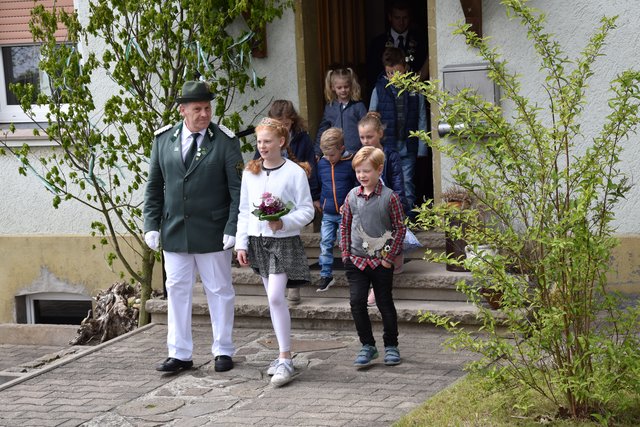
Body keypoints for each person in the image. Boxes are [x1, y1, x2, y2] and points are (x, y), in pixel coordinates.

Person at [144, 80, 243, 373]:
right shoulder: (164, 139)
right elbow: (154, 186)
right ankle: (179, 353)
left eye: (207, 108)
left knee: (219, 290)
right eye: (197, 109)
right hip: (175, 229)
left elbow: (238, 190)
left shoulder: (224, 141)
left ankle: (223, 349)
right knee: (176, 290)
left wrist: (233, 227)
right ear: (182, 110)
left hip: (213, 231)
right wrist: (151, 224)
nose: (204, 114)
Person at [235, 117, 315, 387]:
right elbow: (244, 210)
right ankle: (283, 354)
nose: (262, 146)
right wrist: (241, 243)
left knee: (275, 297)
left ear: (281, 141)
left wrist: (284, 222)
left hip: (283, 241)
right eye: (259, 141)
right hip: (258, 241)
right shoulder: (250, 172)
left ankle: (285, 358)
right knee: (273, 301)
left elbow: (307, 210)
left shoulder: (294, 172)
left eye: (267, 141)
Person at [340, 146, 406, 368]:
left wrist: (389, 257)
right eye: (358, 171)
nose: (362, 175)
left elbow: (400, 228)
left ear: (379, 170)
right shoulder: (352, 196)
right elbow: (345, 225)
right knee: (357, 302)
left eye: (366, 171)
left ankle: (391, 345)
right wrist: (345, 253)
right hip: (356, 260)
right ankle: (367, 345)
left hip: (381, 261)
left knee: (385, 303)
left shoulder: (390, 197)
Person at [252, 100, 320, 306]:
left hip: (294, 194)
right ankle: (281, 281)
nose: (283, 127)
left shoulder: (301, 138)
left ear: (293, 122)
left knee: (290, 241)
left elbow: (311, 166)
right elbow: (256, 164)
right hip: (270, 197)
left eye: (287, 124)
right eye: (278, 123)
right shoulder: (265, 140)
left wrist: (315, 195)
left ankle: (293, 283)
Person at [369, 46, 428, 220]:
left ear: (405, 68)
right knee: (387, 182)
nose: (394, 77)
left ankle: (406, 220)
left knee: (407, 183)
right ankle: (390, 220)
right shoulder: (379, 89)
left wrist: (422, 147)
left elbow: (422, 118)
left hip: (408, 146)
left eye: (398, 73)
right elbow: (372, 117)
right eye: (390, 73)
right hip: (386, 147)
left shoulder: (415, 89)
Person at [358, 113, 407, 311]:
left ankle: (377, 288)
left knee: (383, 245)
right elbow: (356, 182)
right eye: (362, 137)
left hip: (388, 206)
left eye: (369, 137)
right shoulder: (360, 156)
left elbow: (398, 183)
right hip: (368, 207)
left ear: (380, 133)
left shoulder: (390, 156)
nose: (365, 141)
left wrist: (397, 206)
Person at [314, 128, 357, 292]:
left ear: (341, 148)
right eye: (325, 154)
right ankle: (326, 275)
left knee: (345, 243)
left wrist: (351, 203)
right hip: (328, 212)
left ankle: (352, 273)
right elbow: (318, 182)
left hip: (345, 214)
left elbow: (356, 185)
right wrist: (318, 199)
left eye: (332, 155)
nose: (328, 158)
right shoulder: (322, 163)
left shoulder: (350, 162)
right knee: (325, 242)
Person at [366, 0, 427, 89]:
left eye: (405, 18)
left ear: (410, 18)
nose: (401, 22)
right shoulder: (378, 43)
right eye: (397, 18)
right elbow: (372, 75)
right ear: (390, 17)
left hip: (413, 91)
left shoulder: (420, 42)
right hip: (385, 91)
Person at [314, 68, 367, 157]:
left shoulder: (358, 106)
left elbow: (367, 128)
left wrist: (364, 150)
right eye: (339, 87)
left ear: (351, 86)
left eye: (346, 87)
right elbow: (322, 130)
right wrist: (317, 152)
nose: (343, 90)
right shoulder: (330, 107)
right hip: (335, 154)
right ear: (332, 87)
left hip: (356, 153)